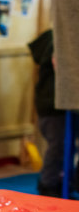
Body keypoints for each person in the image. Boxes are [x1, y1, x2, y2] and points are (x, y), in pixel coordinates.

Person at [29, 29, 79, 197]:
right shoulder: (61, 41)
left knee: (63, 146)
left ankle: (61, 181)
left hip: (56, 104)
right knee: (59, 146)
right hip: (54, 106)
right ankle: (48, 185)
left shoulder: (59, 36)